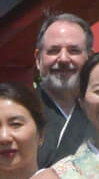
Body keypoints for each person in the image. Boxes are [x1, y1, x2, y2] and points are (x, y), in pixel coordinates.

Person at [33, 13, 95, 166]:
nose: (63, 59)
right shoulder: (19, 113)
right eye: (53, 50)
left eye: (74, 50)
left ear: (90, 58)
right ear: (38, 59)